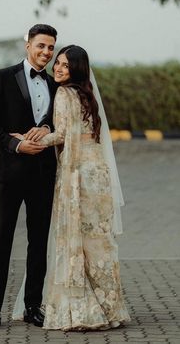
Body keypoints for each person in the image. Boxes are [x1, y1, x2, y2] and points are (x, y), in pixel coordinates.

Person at [13, 45, 131, 330]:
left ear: (76, 68)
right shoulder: (88, 95)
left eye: (65, 65)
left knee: (76, 240)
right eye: (58, 63)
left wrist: (29, 140)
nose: (58, 68)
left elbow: (63, 135)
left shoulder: (64, 94)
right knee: (98, 242)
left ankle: (80, 310)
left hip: (77, 176)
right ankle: (109, 308)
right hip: (98, 176)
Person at [0, 24, 57, 330]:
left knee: (38, 242)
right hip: (9, 173)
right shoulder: (2, 77)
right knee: (1, 241)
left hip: (42, 175)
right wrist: (16, 144)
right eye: (41, 46)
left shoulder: (55, 84)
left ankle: (32, 307)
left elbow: (55, 118)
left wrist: (48, 127)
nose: (46, 53)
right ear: (28, 45)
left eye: (51, 48)